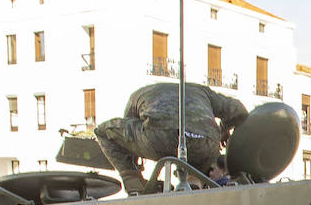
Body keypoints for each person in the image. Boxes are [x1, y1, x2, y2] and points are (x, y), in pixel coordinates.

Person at [94, 82, 248, 195]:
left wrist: (132, 165)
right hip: (206, 141)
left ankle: (133, 182)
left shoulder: (138, 95)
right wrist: (223, 130)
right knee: (199, 155)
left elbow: (127, 136)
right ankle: (194, 180)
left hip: (159, 136)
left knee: (102, 131)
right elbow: (239, 110)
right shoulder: (202, 91)